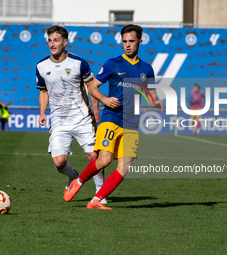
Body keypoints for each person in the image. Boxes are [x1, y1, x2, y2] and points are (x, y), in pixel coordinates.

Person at [64, 24, 164, 210]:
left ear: (140, 42)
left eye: (131, 41)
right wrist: (105, 99)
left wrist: (156, 103)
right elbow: (92, 86)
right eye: (124, 41)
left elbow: (151, 94)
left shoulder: (147, 69)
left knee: (124, 167)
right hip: (111, 118)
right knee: (104, 161)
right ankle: (78, 181)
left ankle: (96, 200)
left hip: (132, 123)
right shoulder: (113, 63)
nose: (127, 45)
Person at [36, 25, 106, 202]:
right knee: (59, 162)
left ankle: (99, 193)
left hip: (82, 118)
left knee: (94, 156)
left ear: (65, 42)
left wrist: (96, 112)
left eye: (56, 40)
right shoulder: (41, 66)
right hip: (59, 121)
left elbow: (92, 87)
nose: (52, 44)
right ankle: (73, 176)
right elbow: (43, 91)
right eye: (50, 40)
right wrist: (42, 113)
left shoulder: (78, 63)